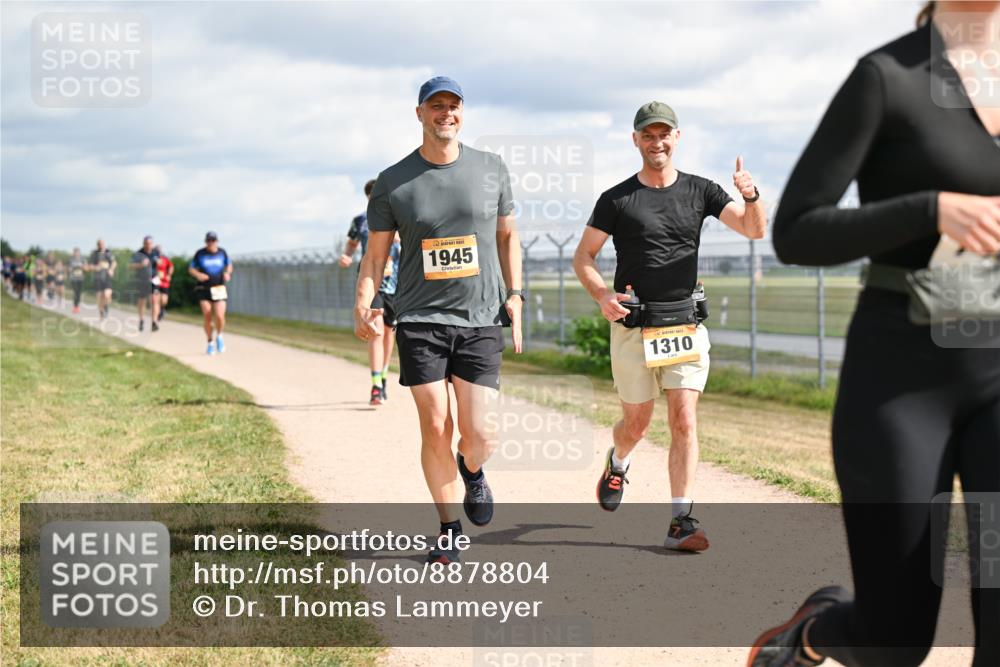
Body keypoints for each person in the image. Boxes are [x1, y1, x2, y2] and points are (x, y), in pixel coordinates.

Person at [748, 3, 1000, 666]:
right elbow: (797, 230)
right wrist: (931, 209)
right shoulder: (887, 77)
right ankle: (811, 633)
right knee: (896, 640)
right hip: (901, 379)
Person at [573, 101, 766, 552]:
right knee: (636, 426)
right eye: (648, 134)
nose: (656, 142)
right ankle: (618, 461)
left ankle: (681, 520)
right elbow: (584, 256)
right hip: (634, 326)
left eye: (664, 134)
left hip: (684, 324)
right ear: (635, 140)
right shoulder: (617, 199)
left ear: (676, 138)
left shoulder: (702, 190)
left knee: (683, 419)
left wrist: (751, 196)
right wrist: (602, 295)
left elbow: (754, 230)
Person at [356, 76, 523, 564]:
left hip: (480, 316)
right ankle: (450, 529)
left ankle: (472, 470)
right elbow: (375, 256)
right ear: (420, 114)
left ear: (462, 113)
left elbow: (507, 237)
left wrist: (515, 294)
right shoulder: (394, 181)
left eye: (453, 105)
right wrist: (364, 302)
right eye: (436, 106)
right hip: (419, 318)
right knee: (435, 425)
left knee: (480, 434)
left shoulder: (491, 168)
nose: (445, 113)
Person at [340, 180, 402, 405]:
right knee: (376, 330)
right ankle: (376, 385)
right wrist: (347, 256)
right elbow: (352, 243)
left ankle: (383, 375)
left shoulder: (400, 216)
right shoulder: (361, 221)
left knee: (389, 334)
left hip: (397, 283)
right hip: (371, 282)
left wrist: (399, 237)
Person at [189, 231, 233, 355]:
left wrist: (227, 273)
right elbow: (191, 269)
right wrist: (198, 275)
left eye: (213, 240)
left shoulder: (222, 252)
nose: (211, 243)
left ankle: (219, 335)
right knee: (207, 315)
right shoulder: (200, 253)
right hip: (204, 288)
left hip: (218, 287)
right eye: (209, 240)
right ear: (206, 242)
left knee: (219, 315)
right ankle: (210, 342)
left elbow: (229, 265)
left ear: (217, 241)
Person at [129, 235, 159, 332]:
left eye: (150, 243)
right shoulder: (138, 254)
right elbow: (130, 265)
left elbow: (161, 264)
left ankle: (154, 322)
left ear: (152, 244)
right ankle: (141, 320)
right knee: (142, 301)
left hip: (154, 279)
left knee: (154, 300)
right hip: (142, 280)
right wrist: (141, 264)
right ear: (143, 244)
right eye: (146, 243)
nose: (148, 245)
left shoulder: (156, 252)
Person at [89, 239, 116, 319]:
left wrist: (111, 269)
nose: (101, 245)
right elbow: (89, 266)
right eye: (99, 244)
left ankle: (105, 307)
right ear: (97, 245)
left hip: (107, 277)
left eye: (102, 244)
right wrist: (95, 267)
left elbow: (114, 262)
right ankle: (101, 312)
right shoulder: (94, 254)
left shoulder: (108, 252)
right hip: (98, 278)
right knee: (99, 297)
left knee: (107, 295)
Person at [153, 245, 173, 320]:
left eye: (159, 250)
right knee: (156, 299)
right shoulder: (152, 258)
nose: (158, 251)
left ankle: (162, 309)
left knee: (164, 300)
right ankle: (156, 313)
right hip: (155, 281)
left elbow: (171, 267)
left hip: (164, 282)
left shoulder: (165, 258)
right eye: (156, 250)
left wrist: (169, 275)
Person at [68, 248, 85, 314]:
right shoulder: (71, 259)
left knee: (79, 293)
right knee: (75, 291)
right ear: (74, 253)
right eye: (75, 252)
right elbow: (69, 268)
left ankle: (77, 306)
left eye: (78, 252)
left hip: (80, 278)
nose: (77, 254)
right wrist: (72, 268)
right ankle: (75, 306)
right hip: (73, 278)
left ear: (79, 253)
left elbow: (85, 267)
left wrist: (82, 267)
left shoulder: (83, 259)